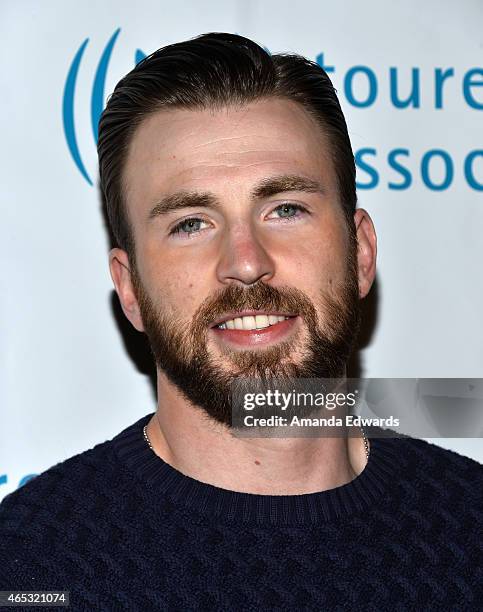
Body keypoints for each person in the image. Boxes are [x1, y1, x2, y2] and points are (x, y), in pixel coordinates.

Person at [1, 32, 481, 610]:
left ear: (360, 254)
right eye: (191, 223)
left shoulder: (469, 525)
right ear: (129, 289)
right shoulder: (29, 564)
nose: (247, 262)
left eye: (285, 209)